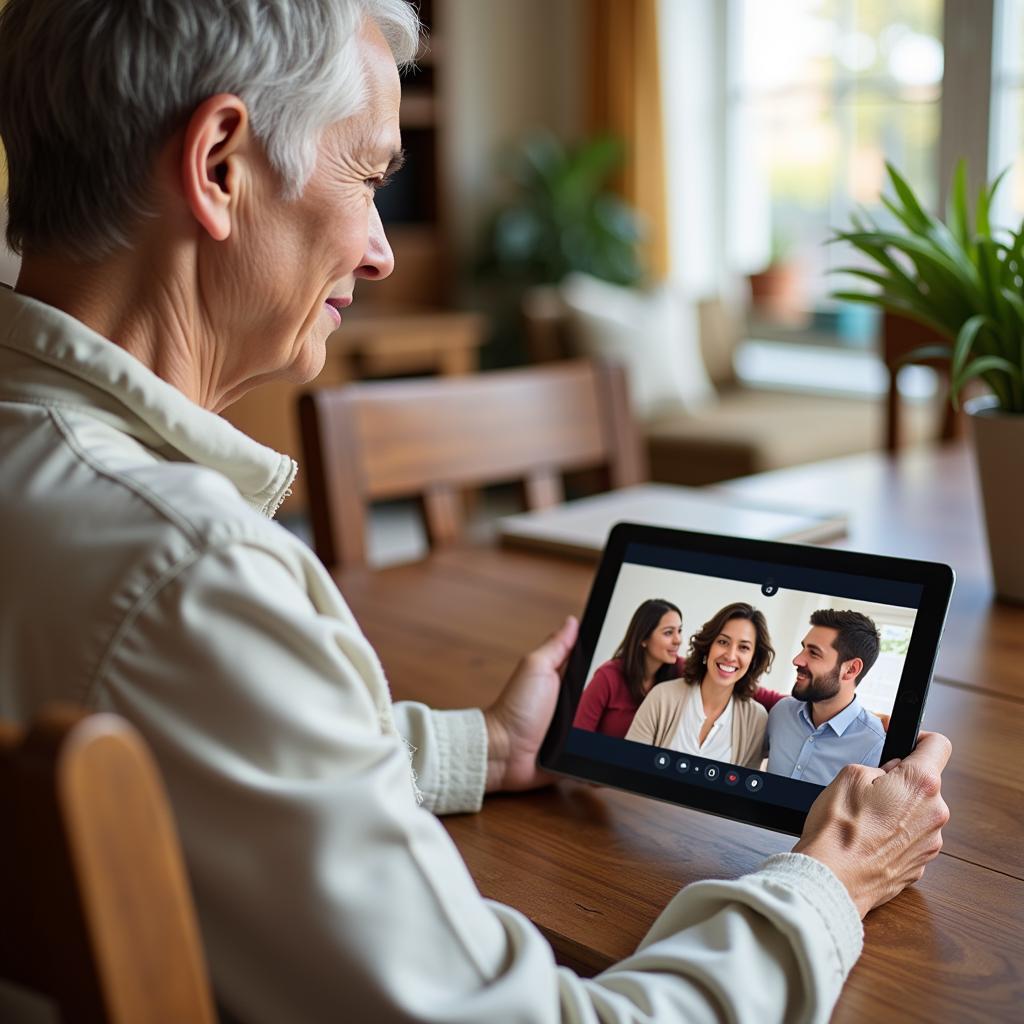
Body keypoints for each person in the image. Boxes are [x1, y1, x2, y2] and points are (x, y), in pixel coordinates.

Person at [0, 3, 951, 1022]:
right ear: (220, 163)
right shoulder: (195, 575)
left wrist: (480, 750)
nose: (382, 252)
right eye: (368, 176)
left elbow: (189, 745)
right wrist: (829, 883)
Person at [625, 602, 774, 767]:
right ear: (708, 646)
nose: (731, 656)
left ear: (753, 659)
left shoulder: (756, 720)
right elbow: (629, 768)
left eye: (744, 647)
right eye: (723, 642)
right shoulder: (662, 697)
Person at [767, 609, 887, 786]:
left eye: (814, 653)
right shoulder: (781, 711)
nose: (797, 660)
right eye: (803, 648)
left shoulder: (876, 745)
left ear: (851, 669)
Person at [572, 598, 684, 738]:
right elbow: (579, 735)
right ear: (643, 638)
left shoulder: (679, 669)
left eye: (679, 631)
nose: (678, 640)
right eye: (668, 632)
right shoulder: (607, 677)